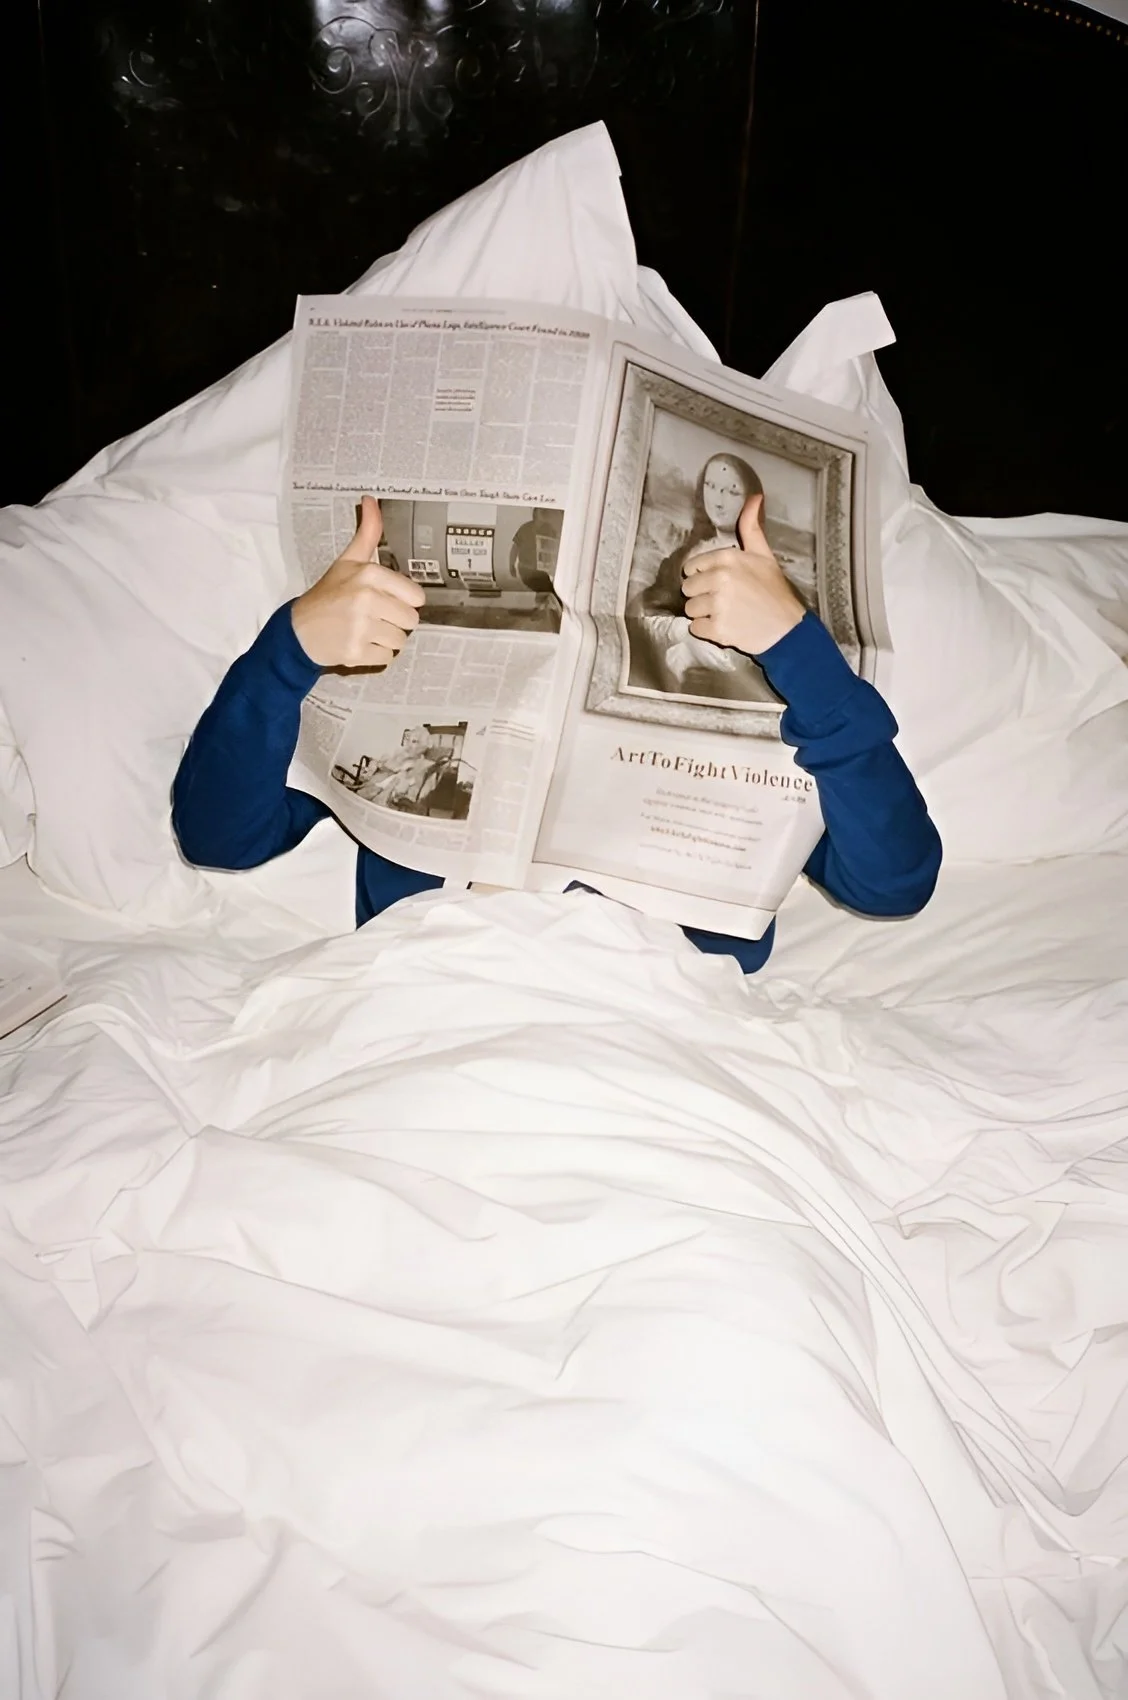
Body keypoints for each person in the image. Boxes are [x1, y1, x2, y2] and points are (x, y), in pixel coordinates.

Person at [172, 493, 942, 975]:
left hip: (657, 1037)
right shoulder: (394, 658)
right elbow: (219, 838)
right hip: (428, 1006)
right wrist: (291, 648)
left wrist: (797, 647)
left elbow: (895, 883)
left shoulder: (777, 688)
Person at [629, 453, 777, 701]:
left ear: (751, 502)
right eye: (711, 486)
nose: (718, 501)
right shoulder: (686, 553)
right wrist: (683, 633)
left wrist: (691, 650)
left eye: (732, 491)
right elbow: (649, 610)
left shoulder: (757, 566)